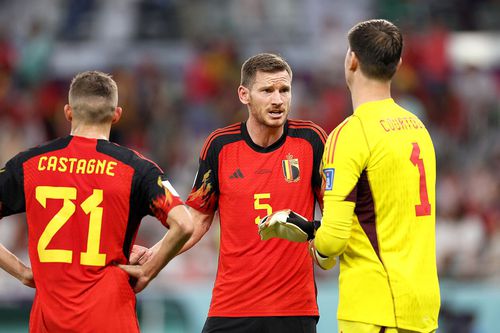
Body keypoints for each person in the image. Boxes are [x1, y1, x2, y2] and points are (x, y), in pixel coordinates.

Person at [259, 20, 440, 333]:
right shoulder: (418, 128)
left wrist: (309, 236)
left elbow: (333, 241)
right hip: (421, 306)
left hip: (375, 308)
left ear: (352, 60)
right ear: (397, 64)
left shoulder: (349, 135)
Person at [0, 70, 193, 333]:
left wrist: (21, 271)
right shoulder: (136, 169)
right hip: (111, 319)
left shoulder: (29, 164)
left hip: (49, 321)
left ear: (67, 112)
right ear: (117, 115)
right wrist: (149, 269)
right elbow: (184, 224)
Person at [179, 53, 327, 333]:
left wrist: (311, 230)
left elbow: (335, 214)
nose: (278, 100)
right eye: (267, 90)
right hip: (231, 307)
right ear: (244, 94)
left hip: (293, 309)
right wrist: (152, 257)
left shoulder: (312, 141)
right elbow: (196, 220)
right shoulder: (220, 146)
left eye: (284, 90)